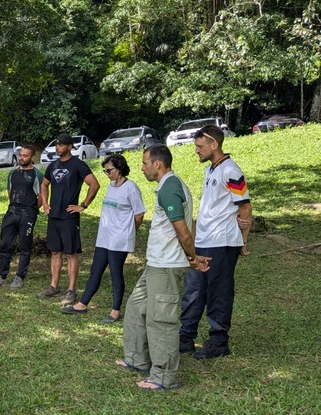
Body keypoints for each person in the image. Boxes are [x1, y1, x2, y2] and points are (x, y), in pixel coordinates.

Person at [116, 145, 210, 391]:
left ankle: (164, 376)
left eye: (145, 163)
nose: (142, 167)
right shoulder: (169, 186)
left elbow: (183, 232)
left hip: (166, 265)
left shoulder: (169, 187)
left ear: (158, 164)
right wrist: (193, 256)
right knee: (136, 308)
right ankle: (137, 359)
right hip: (156, 264)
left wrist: (193, 258)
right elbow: (186, 229)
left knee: (161, 320)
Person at [179, 125, 252, 359]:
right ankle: (185, 337)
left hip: (221, 242)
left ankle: (219, 341)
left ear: (214, 145)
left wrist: (243, 241)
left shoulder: (231, 170)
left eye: (200, 147)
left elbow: (245, 206)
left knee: (218, 292)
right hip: (203, 239)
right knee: (193, 290)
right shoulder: (211, 169)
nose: (197, 151)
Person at [61, 154, 146, 323]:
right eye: (105, 170)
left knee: (115, 272)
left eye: (109, 170)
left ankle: (115, 311)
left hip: (119, 239)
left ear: (120, 169)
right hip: (105, 238)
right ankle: (82, 304)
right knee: (96, 270)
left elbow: (139, 214)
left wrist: (130, 232)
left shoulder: (131, 188)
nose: (107, 174)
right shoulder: (111, 186)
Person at [38, 134, 100, 304]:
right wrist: (45, 203)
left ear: (70, 146)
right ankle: (54, 286)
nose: (58, 147)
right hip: (54, 216)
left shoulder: (78, 165)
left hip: (69, 217)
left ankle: (71, 290)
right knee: (55, 251)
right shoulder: (53, 165)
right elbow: (44, 184)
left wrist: (83, 205)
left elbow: (94, 184)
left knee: (71, 253)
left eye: (61, 145)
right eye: (57, 145)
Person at [0, 145, 44, 290]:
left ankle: (19, 276)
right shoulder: (12, 174)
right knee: (5, 243)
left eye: (25, 156)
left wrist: (31, 210)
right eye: (20, 155)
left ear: (32, 157)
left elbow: (41, 197)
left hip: (28, 214)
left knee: (25, 246)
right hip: (12, 212)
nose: (22, 158)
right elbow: (9, 192)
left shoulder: (37, 174)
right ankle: (2, 275)